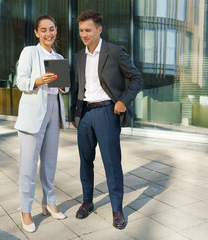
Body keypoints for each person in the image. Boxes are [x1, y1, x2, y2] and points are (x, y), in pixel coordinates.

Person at [70, 10, 143, 230]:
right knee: (85, 162)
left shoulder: (114, 51)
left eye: (88, 30)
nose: (84, 34)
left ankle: (117, 209)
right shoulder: (78, 56)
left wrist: (123, 101)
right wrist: (74, 114)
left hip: (106, 113)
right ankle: (87, 201)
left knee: (112, 164)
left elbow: (137, 78)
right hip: (84, 115)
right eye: (81, 30)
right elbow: (76, 88)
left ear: (99, 29)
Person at [15, 15, 68, 233]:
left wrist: (64, 85)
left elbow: (63, 88)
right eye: (44, 30)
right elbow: (21, 81)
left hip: (53, 108)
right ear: (36, 33)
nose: (49, 34)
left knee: (49, 162)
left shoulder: (59, 56)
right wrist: (38, 81)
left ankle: (49, 201)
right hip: (33, 112)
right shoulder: (30, 51)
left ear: (56, 31)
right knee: (28, 167)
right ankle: (25, 210)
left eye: (52, 29)